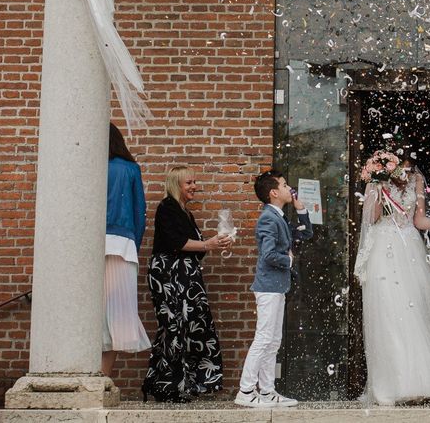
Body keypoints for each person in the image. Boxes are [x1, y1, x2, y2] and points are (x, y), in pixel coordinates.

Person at [353, 153, 430, 406]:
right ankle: (390, 384)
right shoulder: (377, 183)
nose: (405, 174)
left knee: (414, 311)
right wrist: (377, 185)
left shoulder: (417, 180)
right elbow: (372, 218)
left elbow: (418, 219)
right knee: (388, 312)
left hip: (409, 248)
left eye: (408, 169)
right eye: (401, 169)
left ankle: (417, 382)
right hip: (383, 248)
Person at [142, 166, 232, 403]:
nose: (194, 186)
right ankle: (167, 388)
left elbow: (194, 249)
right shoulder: (167, 208)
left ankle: (176, 386)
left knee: (192, 327)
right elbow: (177, 242)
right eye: (189, 183)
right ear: (176, 185)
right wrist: (208, 244)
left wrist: (214, 244)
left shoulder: (185, 213)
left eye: (194, 182)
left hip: (186, 277)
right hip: (169, 276)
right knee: (174, 327)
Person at [235, 170, 314, 408]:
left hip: (278, 287)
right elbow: (268, 255)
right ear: (274, 192)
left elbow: (306, 234)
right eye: (284, 184)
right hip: (268, 287)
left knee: (273, 341)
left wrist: (301, 210)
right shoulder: (268, 219)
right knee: (263, 339)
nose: (289, 188)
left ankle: (267, 391)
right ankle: (246, 390)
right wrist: (288, 260)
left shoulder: (279, 216)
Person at [102, 123, 151, 376]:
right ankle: (103, 377)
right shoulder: (130, 168)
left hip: (90, 245)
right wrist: (135, 244)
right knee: (118, 319)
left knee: (93, 315)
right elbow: (139, 213)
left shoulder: (90, 165)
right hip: (123, 243)